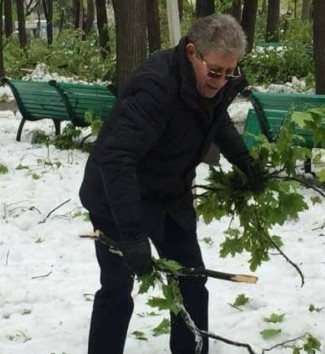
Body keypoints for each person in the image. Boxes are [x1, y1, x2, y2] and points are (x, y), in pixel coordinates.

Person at [80, 13, 262, 354]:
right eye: (215, 72)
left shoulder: (214, 83)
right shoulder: (154, 87)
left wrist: (245, 161)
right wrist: (133, 234)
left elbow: (216, 117)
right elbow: (117, 160)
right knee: (118, 287)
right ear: (192, 52)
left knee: (192, 283)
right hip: (116, 193)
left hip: (168, 193)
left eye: (229, 72)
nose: (221, 81)